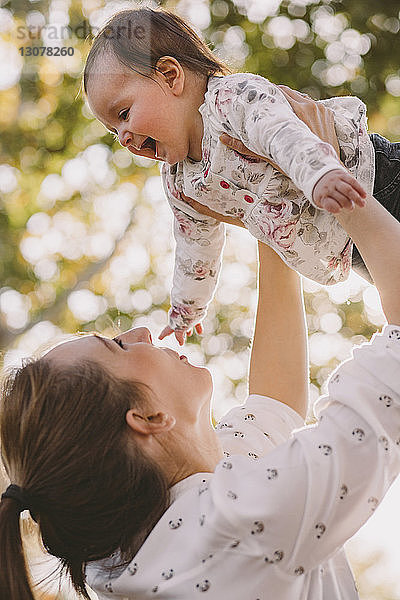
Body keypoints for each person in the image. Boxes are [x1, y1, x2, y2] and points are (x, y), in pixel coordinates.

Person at [1, 167, 400, 598]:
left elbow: (273, 405)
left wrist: (269, 223)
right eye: (118, 347)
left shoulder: (133, 543)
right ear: (149, 418)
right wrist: (326, 170)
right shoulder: (238, 526)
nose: (141, 334)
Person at [82, 6, 400, 344]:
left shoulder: (231, 101)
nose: (124, 137)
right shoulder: (180, 183)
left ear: (170, 76)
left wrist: (320, 174)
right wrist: (186, 309)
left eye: (124, 114)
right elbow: (195, 245)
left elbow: (283, 134)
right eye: (113, 130)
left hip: (373, 178)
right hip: (349, 246)